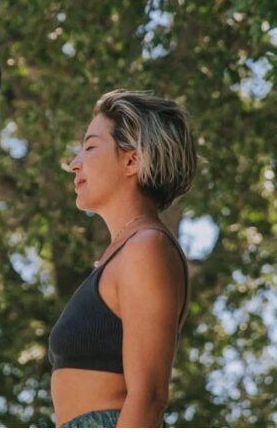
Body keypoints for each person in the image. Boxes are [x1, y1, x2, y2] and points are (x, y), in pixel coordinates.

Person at [48, 90, 197, 428]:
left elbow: (149, 397)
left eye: (89, 147)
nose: (74, 162)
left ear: (132, 161)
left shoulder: (147, 248)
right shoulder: (124, 252)